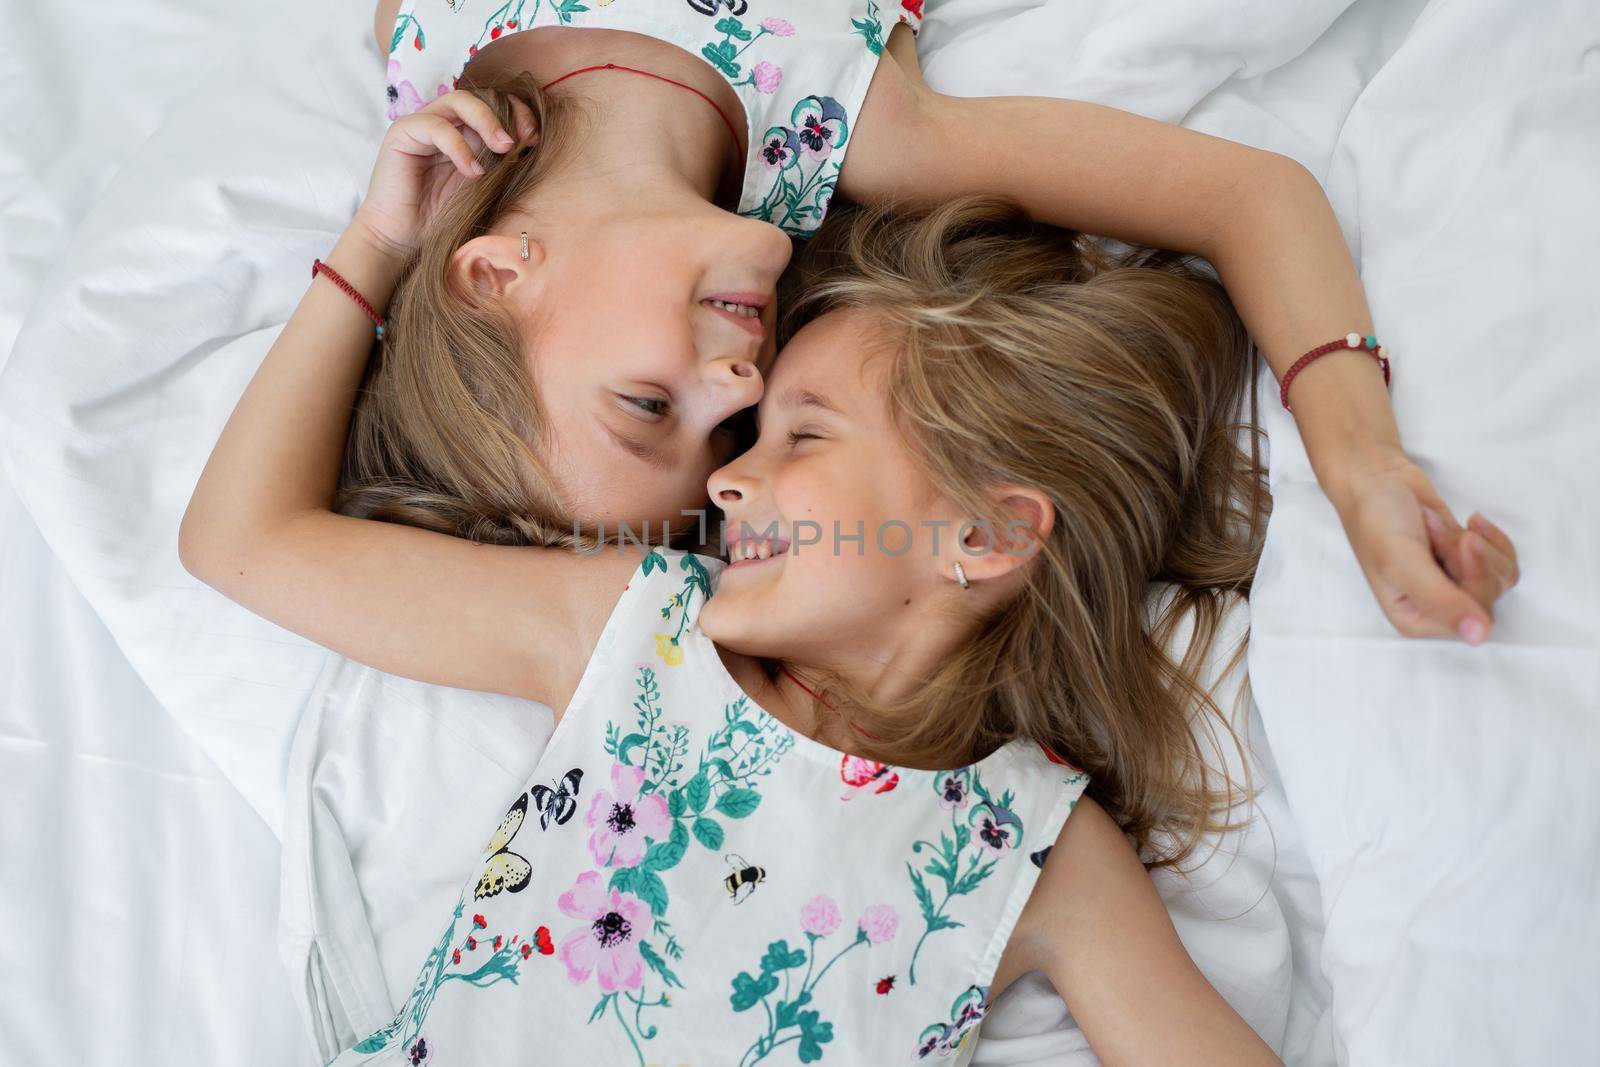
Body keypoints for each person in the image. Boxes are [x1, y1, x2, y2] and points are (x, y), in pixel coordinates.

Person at [183, 104, 1289, 1052]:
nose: (725, 483)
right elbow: (244, 540)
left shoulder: (1039, 850)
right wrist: (381, 243)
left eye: (799, 437)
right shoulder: (636, 634)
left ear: (986, 536)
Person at [336, 0, 1518, 643]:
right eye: (727, 436)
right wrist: (1360, 462)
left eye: (649, 404)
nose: (738, 386)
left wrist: (375, 249)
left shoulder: (424, 45)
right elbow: (1247, 195)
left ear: (495, 276)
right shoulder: (849, 131)